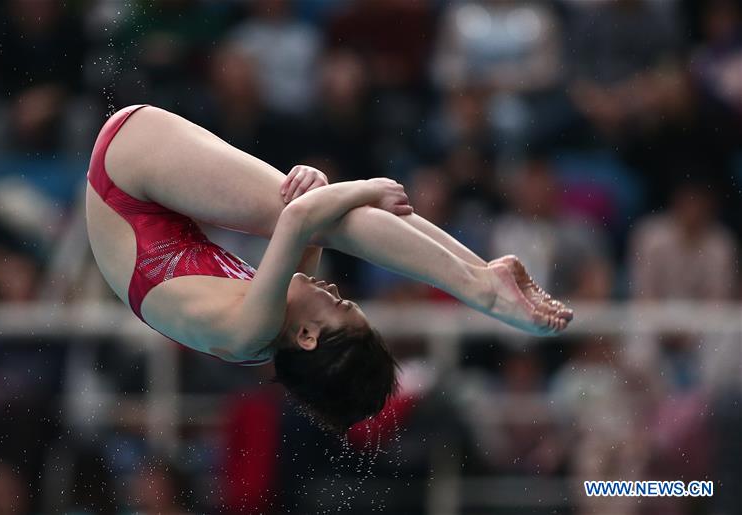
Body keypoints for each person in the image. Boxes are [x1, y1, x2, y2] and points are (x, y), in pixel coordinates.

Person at [85, 104, 573, 432]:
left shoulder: (245, 330)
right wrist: (319, 185)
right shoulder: (270, 330)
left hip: (125, 176)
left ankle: (483, 288)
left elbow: (302, 216)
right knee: (328, 220)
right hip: (141, 189)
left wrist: (364, 188)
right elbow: (311, 216)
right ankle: (482, 276)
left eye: (339, 304)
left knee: (331, 219)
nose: (334, 289)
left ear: (308, 338)